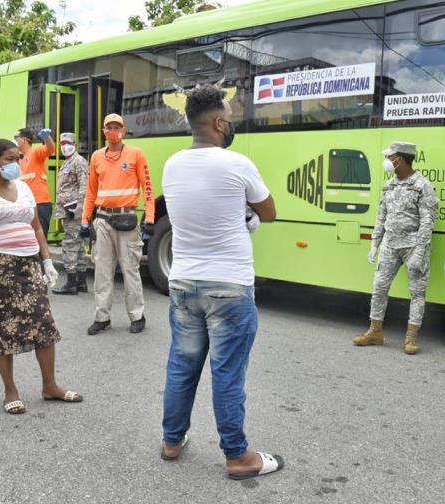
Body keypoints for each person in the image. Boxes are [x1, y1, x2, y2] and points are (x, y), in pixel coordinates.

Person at [160, 84, 282, 479]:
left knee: (182, 366)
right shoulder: (237, 163)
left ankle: (172, 440)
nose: (230, 125)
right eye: (228, 119)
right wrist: (245, 213)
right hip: (228, 286)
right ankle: (236, 456)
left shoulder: (172, 164)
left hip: (183, 283)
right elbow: (270, 211)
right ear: (216, 123)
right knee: (227, 372)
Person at [0, 139, 81, 414]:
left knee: (44, 324)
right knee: (3, 329)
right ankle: (10, 389)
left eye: (18, 158)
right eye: (9, 159)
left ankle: (50, 386)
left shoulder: (25, 188)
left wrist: (48, 261)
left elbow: (37, 228)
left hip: (29, 266)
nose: (16, 163)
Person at [354, 142, 437, 354]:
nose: (388, 160)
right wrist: (375, 243)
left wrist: (420, 251)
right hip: (390, 245)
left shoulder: (422, 185)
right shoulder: (389, 185)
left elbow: (428, 222)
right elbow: (381, 216)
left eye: (391, 156)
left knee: (417, 292)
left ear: (400, 159)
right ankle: (375, 331)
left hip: (413, 246)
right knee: (379, 288)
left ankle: (411, 338)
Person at [80, 113, 155, 335]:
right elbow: (91, 192)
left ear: (123, 130)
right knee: (102, 271)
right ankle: (102, 317)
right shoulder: (96, 157)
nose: (113, 130)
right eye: (109, 127)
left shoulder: (136, 154)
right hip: (102, 220)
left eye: (117, 126)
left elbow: (148, 188)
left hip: (127, 220)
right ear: (103, 131)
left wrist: (149, 218)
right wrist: (85, 220)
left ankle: (137, 316)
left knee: (130, 269)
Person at [51, 132, 89, 295]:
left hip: (73, 210)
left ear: (74, 144)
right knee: (78, 244)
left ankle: (71, 283)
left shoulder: (78, 161)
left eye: (68, 143)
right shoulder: (68, 162)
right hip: (67, 209)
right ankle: (81, 282)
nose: (65, 146)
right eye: (62, 143)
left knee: (70, 244)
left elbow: (84, 186)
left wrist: (79, 208)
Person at [15, 128, 55, 237]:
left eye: (16, 138)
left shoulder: (35, 152)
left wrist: (47, 137)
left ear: (24, 139)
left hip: (40, 203)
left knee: (39, 239)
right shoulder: (21, 160)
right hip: (27, 204)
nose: (14, 140)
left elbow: (51, 149)